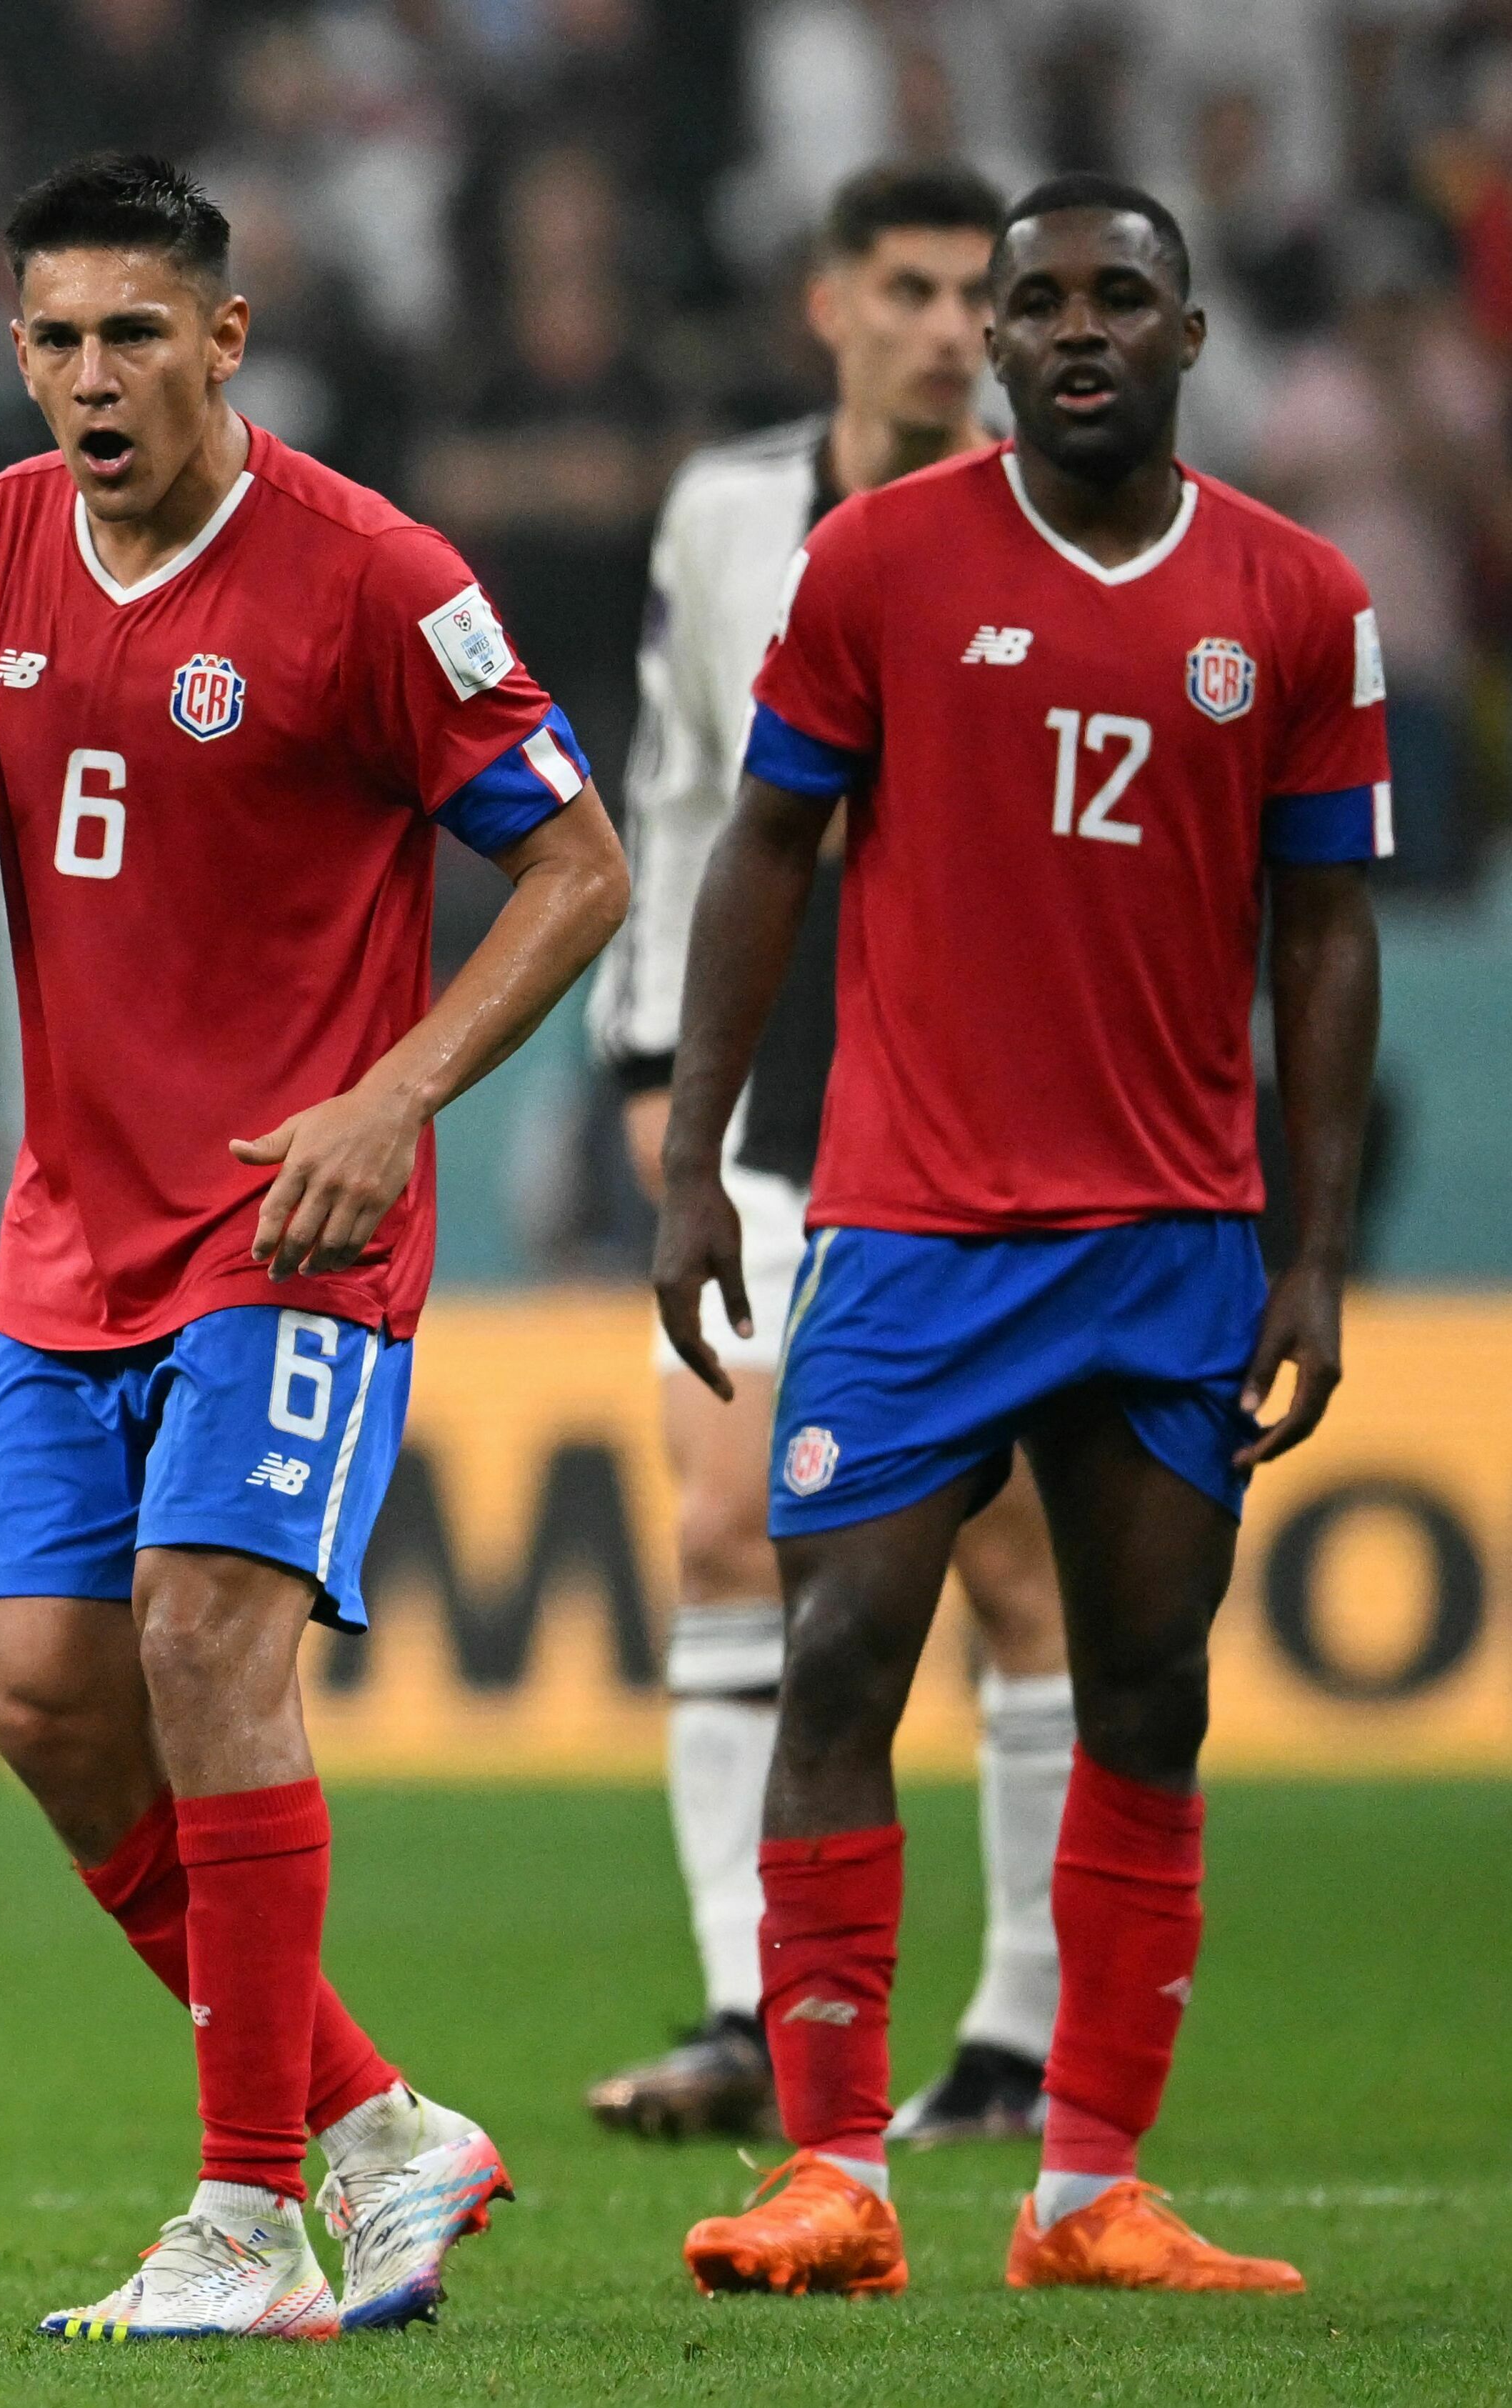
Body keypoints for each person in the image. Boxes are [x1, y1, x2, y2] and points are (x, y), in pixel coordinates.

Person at [0, 153, 629, 2341]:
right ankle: (375, 2129)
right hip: (70, 1236)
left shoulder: (374, 575)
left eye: (132, 335)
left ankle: (250, 2217)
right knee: (46, 1703)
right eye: (54, 338)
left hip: (295, 1222)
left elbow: (580, 870)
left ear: (222, 341)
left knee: (199, 1647)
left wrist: (398, 1093)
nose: (90, 376)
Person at [656, 174, 1383, 2299]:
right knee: (841, 1661)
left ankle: (1088, 2192)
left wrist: (1313, 1254)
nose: (1071, 328)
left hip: (1172, 1235)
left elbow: (1327, 940)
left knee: (1150, 1690)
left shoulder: (1300, 595)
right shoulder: (874, 562)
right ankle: (831, 2169)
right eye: (1032, 299)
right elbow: (761, 842)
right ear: (990, 341)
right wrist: (698, 1153)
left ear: (1188, 333)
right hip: (911, 1226)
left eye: (1115, 297)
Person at [584, 161, 1074, 2152]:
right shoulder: (725, 515)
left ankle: (1023, 2027)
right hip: (775, 1085)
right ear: (829, 303)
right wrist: (648, 1057)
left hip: (995, 1098)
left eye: (982, 293)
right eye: (914, 286)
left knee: (1015, 1559)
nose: (953, 324)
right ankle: (742, 2006)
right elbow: (680, 785)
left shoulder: (1059, 517)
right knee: (720, 1524)